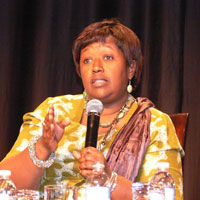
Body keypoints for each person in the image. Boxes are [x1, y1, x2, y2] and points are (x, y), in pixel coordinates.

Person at [0, 18, 184, 200]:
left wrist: (109, 180)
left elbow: (168, 197)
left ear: (131, 68)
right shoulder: (54, 111)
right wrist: (42, 148)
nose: (96, 67)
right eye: (87, 60)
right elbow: (5, 186)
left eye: (108, 57)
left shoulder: (153, 124)